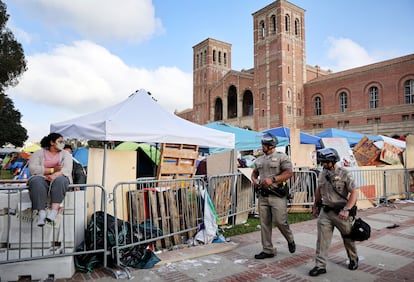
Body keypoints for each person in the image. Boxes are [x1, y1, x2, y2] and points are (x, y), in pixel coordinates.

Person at [309, 148, 359, 277]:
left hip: (341, 213)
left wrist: (347, 209)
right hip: (325, 212)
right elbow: (319, 189)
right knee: (322, 240)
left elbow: (354, 192)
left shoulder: (344, 173)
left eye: (325, 162)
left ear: (332, 161)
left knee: (348, 238)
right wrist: (315, 205)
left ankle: (353, 258)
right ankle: (320, 266)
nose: (323, 164)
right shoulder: (322, 173)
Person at [251, 132, 296, 259]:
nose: (262, 146)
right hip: (263, 196)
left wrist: (274, 179)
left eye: (264, 144)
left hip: (277, 195)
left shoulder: (282, 157)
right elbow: (254, 174)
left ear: (271, 146)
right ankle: (267, 249)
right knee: (264, 223)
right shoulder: (259, 159)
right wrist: (254, 181)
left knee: (280, 221)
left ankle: (290, 239)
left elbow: (288, 173)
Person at [28, 133, 73, 227]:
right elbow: (32, 168)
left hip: (59, 177)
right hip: (41, 177)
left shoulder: (66, 154)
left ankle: (54, 210)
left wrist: (55, 174)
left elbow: (67, 169)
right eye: (60, 141)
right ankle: (41, 212)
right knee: (36, 182)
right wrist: (51, 170)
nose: (63, 144)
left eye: (63, 142)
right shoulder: (38, 153)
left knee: (61, 181)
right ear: (52, 142)